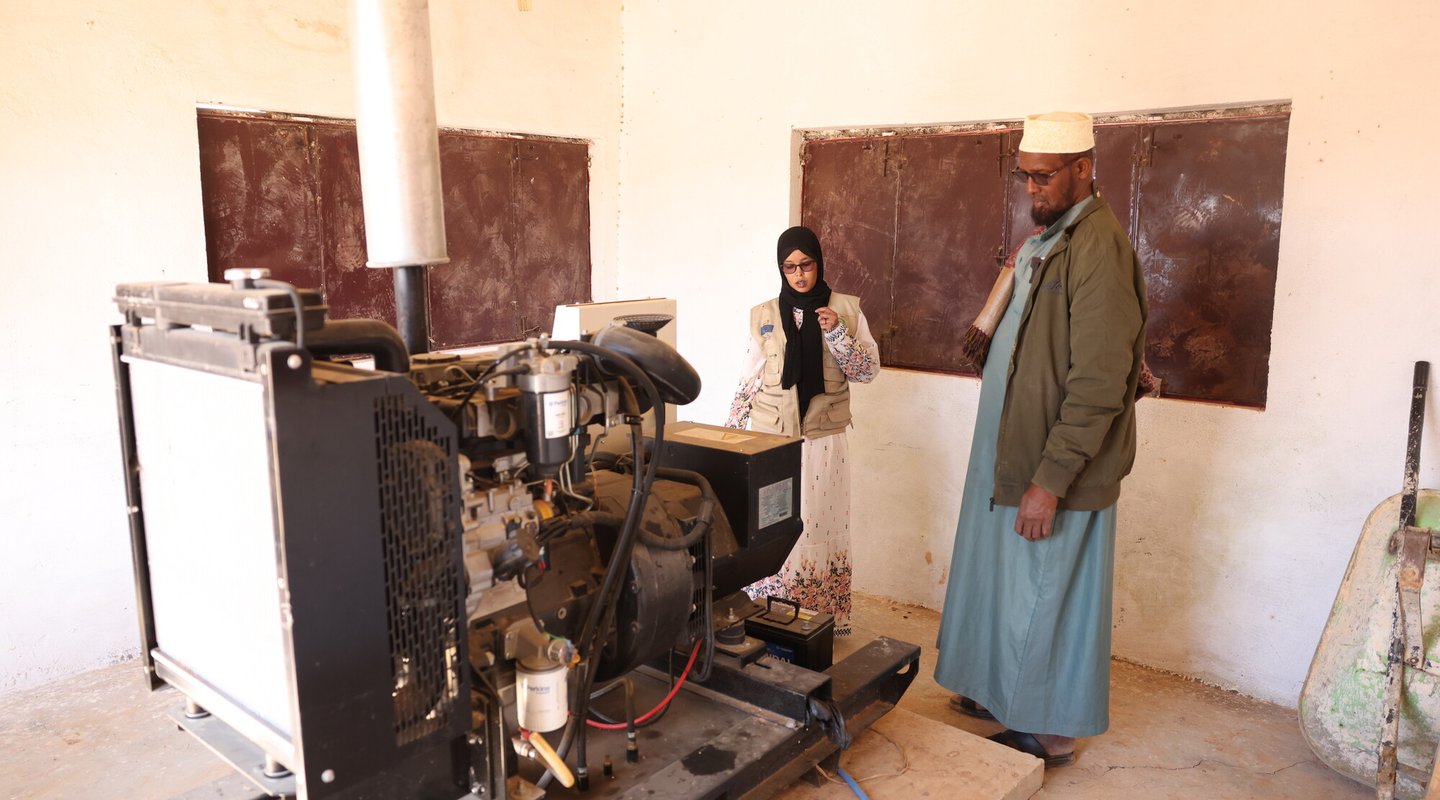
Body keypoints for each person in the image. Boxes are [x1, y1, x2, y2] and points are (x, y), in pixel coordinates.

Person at [933, 112, 1147, 767]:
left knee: (1045, 593)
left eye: (1045, 177)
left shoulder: (1097, 247)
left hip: (1056, 469)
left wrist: (1050, 481)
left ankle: (1052, 731)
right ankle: (1002, 692)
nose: (1033, 190)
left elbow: (1100, 382)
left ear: (1084, 167)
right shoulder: (1051, 241)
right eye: (1025, 177)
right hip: (1014, 453)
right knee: (1008, 585)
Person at [725, 225, 879, 636]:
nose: (799, 275)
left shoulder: (845, 310)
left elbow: (866, 372)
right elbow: (748, 380)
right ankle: (771, 619)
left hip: (824, 444)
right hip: (774, 443)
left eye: (806, 265)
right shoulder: (763, 315)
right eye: (789, 267)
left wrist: (837, 333)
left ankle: (817, 623)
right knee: (774, 528)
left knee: (818, 527)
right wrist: (730, 440)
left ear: (819, 263)